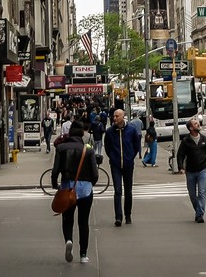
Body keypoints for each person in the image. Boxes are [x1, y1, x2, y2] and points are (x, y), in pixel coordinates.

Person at [51, 122, 98, 264]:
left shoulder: (61, 148)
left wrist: (55, 185)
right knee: (83, 222)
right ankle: (83, 254)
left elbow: (55, 171)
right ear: (82, 135)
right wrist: (91, 183)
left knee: (67, 219)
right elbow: (94, 174)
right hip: (85, 189)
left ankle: (69, 240)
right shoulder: (88, 150)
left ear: (69, 134)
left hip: (67, 188)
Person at [103, 108, 140, 226]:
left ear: (123, 117)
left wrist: (130, 156)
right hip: (115, 164)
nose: (115, 118)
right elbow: (107, 147)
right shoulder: (109, 132)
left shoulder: (131, 130)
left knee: (128, 190)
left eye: (117, 116)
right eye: (114, 116)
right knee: (118, 190)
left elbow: (136, 145)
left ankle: (128, 214)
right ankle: (118, 216)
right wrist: (113, 157)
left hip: (128, 164)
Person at [175, 117, 206, 223]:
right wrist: (181, 167)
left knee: (202, 192)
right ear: (190, 128)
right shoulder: (186, 141)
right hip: (191, 171)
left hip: (202, 170)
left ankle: (199, 214)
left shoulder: (204, 139)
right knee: (192, 194)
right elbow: (180, 155)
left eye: (197, 123)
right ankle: (198, 210)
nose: (198, 124)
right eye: (195, 123)